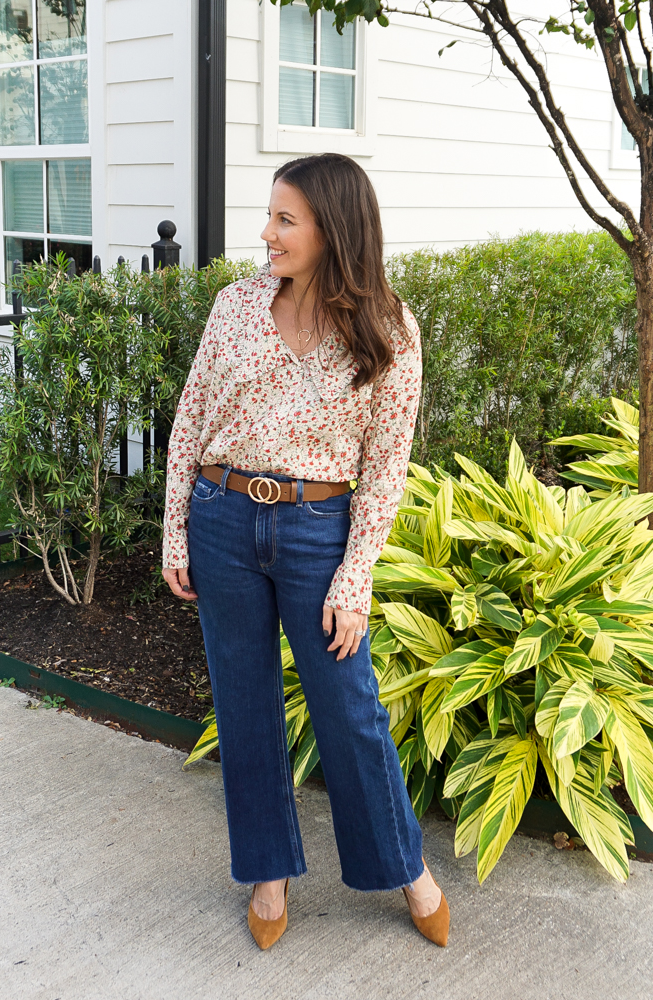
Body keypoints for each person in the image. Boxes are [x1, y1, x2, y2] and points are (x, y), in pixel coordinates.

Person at [162, 153, 449, 950]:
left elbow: (387, 468)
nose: (267, 233)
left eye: (285, 219)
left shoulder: (388, 328)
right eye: (271, 215)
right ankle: (268, 874)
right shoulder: (236, 307)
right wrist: (175, 531)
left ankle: (406, 868)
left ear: (333, 228)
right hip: (221, 518)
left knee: (349, 707)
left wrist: (354, 578)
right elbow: (190, 421)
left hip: (317, 530)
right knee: (244, 704)